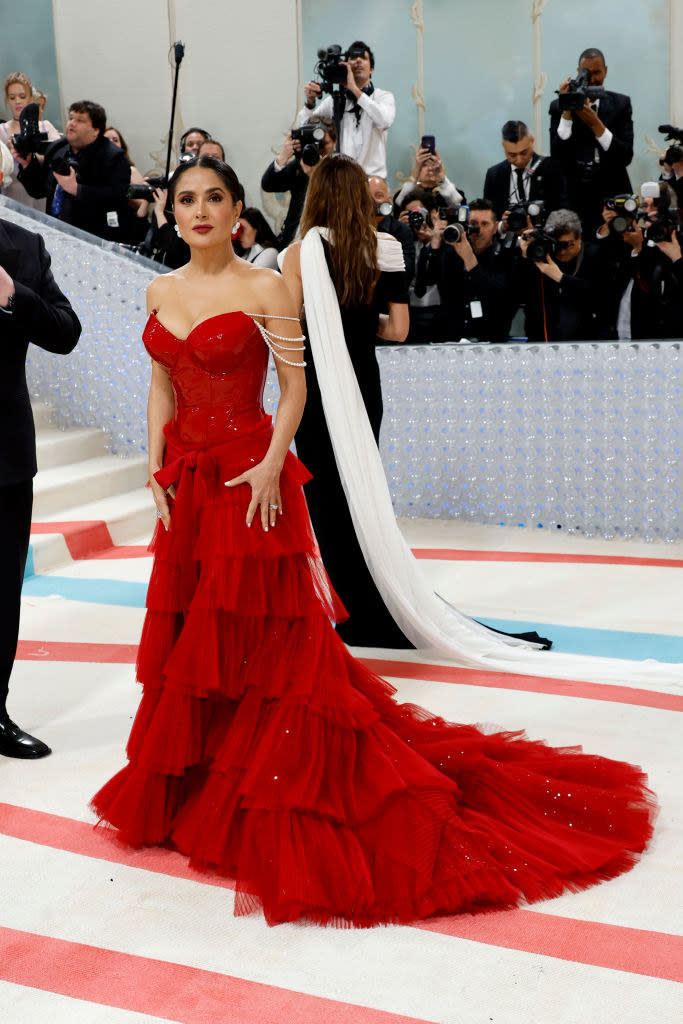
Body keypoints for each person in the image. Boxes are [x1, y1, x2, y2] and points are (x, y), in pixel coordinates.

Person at [90, 154, 655, 929]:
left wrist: (268, 466)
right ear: (173, 210)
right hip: (184, 485)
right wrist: (152, 465)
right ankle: (208, 780)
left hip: (250, 481)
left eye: (214, 197)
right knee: (199, 639)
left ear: (235, 209)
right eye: (186, 199)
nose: (198, 210)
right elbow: (160, 381)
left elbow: (293, 387)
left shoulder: (265, 285)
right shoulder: (160, 290)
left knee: (271, 637)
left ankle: (273, 774)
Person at [282, 155, 411, 646]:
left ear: (315, 196)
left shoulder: (297, 254)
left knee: (326, 499)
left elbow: (289, 329)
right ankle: (380, 597)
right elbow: (398, 330)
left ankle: (348, 606)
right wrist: (358, 327)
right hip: (364, 387)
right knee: (362, 490)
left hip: (314, 392)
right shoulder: (386, 248)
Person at [0, 151, 82, 757]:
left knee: (1, 591)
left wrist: (14, 297)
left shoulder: (24, 246)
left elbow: (65, 330)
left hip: (3, 453)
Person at [17, 100, 131, 241]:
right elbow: (39, 190)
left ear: (96, 130)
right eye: (71, 118)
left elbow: (117, 197)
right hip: (54, 232)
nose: (72, 123)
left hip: (92, 238)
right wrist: (28, 165)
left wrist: (77, 189)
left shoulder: (114, 157)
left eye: (80, 120)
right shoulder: (58, 148)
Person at [549, 48, 633, 231]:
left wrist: (596, 124)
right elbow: (557, 155)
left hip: (611, 193)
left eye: (597, 73)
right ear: (579, 73)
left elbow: (625, 156)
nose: (593, 80)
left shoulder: (621, 105)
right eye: (587, 74)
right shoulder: (558, 107)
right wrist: (567, 111)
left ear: (606, 71)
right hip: (574, 197)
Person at [423, 198, 518, 341]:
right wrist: (435, 243)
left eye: (484, 224)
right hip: (450, 340)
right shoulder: (451, 252)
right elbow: (427, 281)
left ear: (495, 227)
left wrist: (469, 259)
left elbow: (497, 298)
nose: (478, 230)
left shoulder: (505, 256)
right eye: (473, 224)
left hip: (490, 341)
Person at [298, 41, 394, 178]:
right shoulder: (335, 100)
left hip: (373, 181)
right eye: (353, 58)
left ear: (371, 69)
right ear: (346, 66)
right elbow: (304, 129)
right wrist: (310, 103)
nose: (358, 61)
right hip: (344, 181)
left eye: (363, 58)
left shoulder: (383, 97)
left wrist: (354, 89)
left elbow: (384, 121)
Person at [519, 208, 607, 341]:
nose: (562, 252)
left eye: (568, 245)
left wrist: (561, 278)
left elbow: (600, 296)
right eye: (557, 245)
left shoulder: (596, 255)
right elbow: (518, 292)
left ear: (579, 238)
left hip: (586, 345)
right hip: (543, 343)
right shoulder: (542, 255)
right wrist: (526, 256)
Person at [261, 114, 337, 249]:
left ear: (335, 142)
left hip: (327, 245)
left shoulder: (343, 170)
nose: (318, 148)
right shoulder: (300, 165)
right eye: (312, 142)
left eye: (323, 144)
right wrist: (283, 156)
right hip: (292, 242)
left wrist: (315, 175)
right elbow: (268, 184)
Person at [483, 119, 568, 223]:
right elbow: (487, 219)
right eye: (512, 155)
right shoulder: (494, 175)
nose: (519, 160)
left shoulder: (551, 169)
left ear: (532, 141)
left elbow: (562, 213)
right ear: (503, 146)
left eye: (524, 153)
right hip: (506, 237)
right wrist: (502, 227)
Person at [0, 71, 61, 211]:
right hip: (11, 200)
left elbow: (59, 157)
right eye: (12, 97)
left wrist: (33, 155)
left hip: (42, 198)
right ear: (7, 100)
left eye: (22, 96)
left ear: (29, 98)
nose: (17, 101)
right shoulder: (2, 130)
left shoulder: (46, 126)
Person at [104, 125, 150, 244]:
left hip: (128, 226)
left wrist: (122, 194)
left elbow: (142, 203)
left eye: (115, 140)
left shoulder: (130, 171)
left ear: (121, 147)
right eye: (106, 140)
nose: (111, 143)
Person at [368, 175, 415, 279]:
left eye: (378, 196)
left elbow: (406, 274)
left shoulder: (402, 231)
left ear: (389, 200)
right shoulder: (354, 229)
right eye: (367, 197)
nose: (372, 201)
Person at [393, 143, 465, 210]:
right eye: (424, 165)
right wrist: (417, 168)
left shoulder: (452, 193)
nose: (430, 168)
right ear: (418, 171)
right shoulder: (409, 195)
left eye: (433, 164)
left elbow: (457, 204)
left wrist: (440, 176)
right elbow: (400, 203)